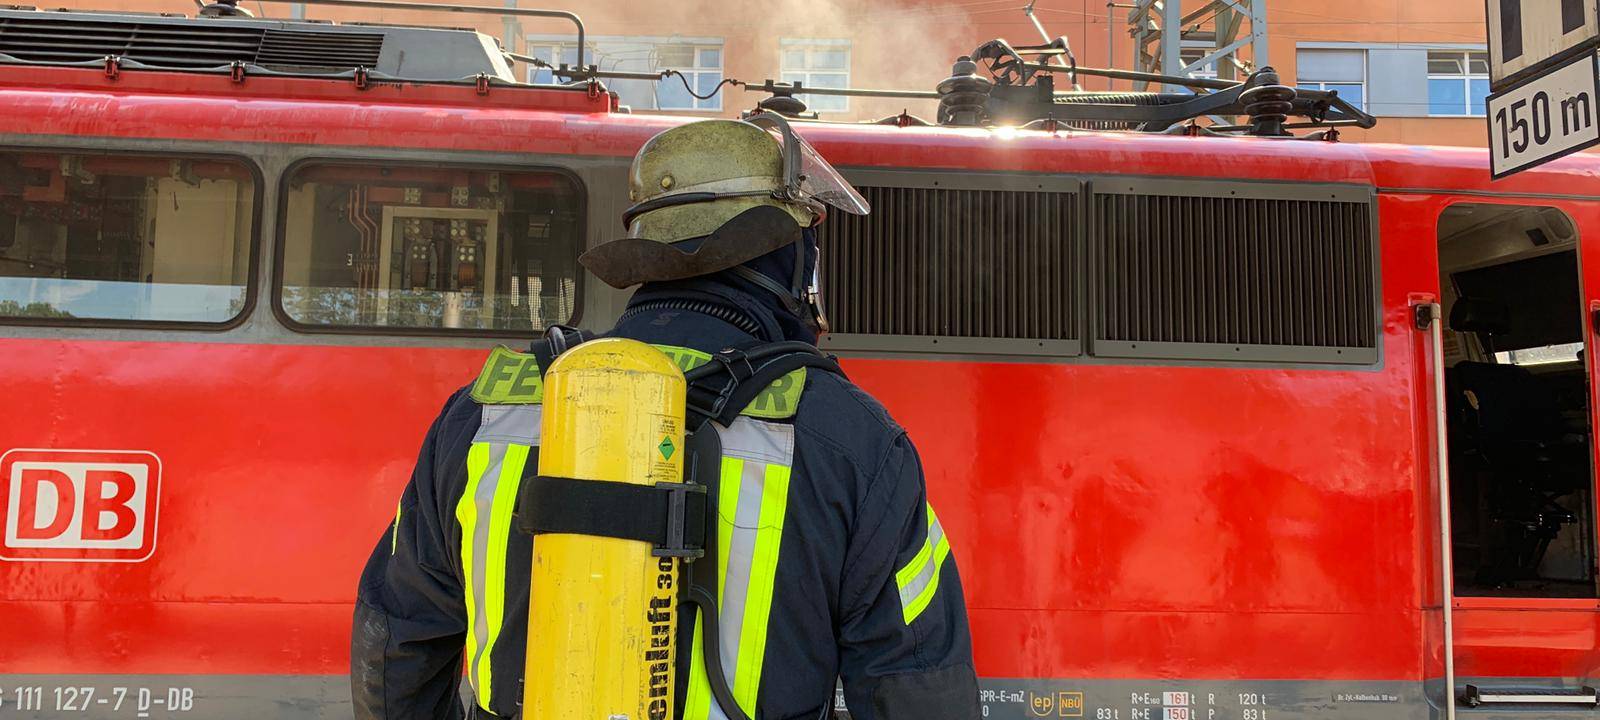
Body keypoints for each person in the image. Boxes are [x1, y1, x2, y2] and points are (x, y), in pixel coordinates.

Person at [350, 114, 981, 720]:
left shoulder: (485, 414)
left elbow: (396, 639)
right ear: (790, 259)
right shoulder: (851, 438)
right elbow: (916, 682)